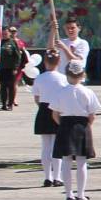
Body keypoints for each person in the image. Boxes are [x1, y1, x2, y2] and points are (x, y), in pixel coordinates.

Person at [52, 64, 101, 200]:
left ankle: (69, 195)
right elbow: (92, 115)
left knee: (66, 161)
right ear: (82, 75)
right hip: (82, 124)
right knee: (81, 162)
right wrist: (87, 126)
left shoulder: (60, 92)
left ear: (67, 75)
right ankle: (81, 194)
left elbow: (55, 114)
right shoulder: (88, 92)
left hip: (65, 124)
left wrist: (61, 125)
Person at [31, 48, 67, 187]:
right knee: (57, 146)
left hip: (44, 109)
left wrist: (42, 106)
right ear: (59, 61)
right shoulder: (63, 78)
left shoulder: (39, 78)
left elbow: (36, 97)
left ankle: (48, 177)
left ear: (45, 61)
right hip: (58, 110)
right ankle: (57, 176)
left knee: (45, 146)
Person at [0, 26, 27, 110]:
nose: (4, 35)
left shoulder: (13, 42)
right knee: (3, 87)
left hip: (11, 68)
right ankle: (3, 104)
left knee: (11, 87)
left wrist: (15, 68)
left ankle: (10, 104)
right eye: (3, 33)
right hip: (2, 68)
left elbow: (18, 56)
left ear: (9, 33)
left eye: (6, 33)